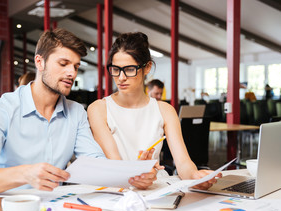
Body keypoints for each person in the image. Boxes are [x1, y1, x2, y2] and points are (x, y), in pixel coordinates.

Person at [0, 28, 105, 194]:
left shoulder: (76, 112)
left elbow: (95, 163)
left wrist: (133, 176)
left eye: (75, 66)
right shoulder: (1, 109)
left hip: (55, 208)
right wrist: (25, 174)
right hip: (9, 209)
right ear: (40, 62)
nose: (72, 73)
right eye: (63, 64)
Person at [87, 32, 219, 190]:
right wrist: (135, 173)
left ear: (147, 67)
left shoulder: (165, 110)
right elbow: (116, 164)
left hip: (155, 187)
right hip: (118, 188)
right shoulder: (99, 109)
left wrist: (195, 176)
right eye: (115, 69)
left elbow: (183, 162)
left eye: (129, 69)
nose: (121, 77)